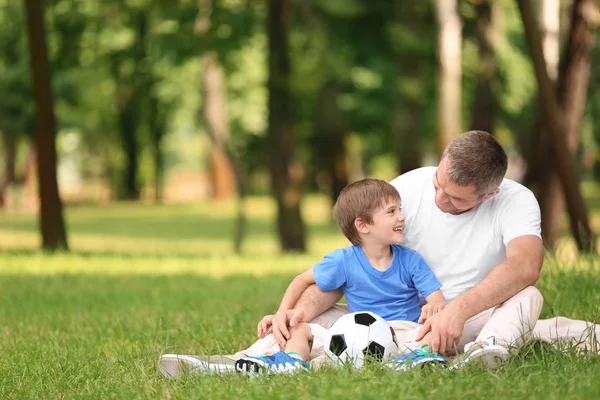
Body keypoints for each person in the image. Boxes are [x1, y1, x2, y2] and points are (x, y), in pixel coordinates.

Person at [234, 179, 448, 374]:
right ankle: (292, 361)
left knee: (432, 332)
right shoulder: (343, 261)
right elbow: (301, 280)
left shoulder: (411, 260)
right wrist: (282, 314)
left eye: (399, 209)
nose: (401, 216)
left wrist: (433, 307)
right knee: (298, 326)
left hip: (404, 332)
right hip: (353, 336)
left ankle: (412, 360)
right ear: (363, 225)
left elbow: (437, 301)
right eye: (391, 211)